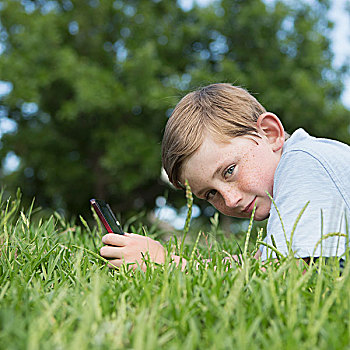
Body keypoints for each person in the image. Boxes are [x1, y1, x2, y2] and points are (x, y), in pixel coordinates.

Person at [100, 83, 350, 270]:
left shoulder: (305, 163)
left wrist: (167, 264)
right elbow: (259, 263)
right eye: (211, 194)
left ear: (270, 133)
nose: (229, 201)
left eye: (229, 171)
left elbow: (291, 275)